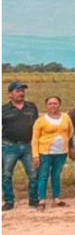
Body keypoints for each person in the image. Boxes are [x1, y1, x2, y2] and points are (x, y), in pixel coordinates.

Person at [31, 96, 73, 211]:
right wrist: (35, 155)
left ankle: (56, 198)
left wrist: (67, 146)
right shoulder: (40, 120)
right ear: (46, 106)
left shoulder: (66, 117)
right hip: (45, 152)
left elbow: (70, 132)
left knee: (56, 175)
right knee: (43, 176)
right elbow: (35, 139)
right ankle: (42, 199)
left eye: (55, 103)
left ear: (59, 104)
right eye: (50, 103)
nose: (53, 105)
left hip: (61, 152)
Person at [2, 81, 39, 210]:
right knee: (6, 175)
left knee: (34, 174)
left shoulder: (31, 107)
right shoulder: (3, 110)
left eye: (22, 91)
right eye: (18, 91)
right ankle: (9, 201)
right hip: (9, 146)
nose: (21, 93)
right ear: (10, 94)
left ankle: (33, 200)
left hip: (28, 146)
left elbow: (37, 126)